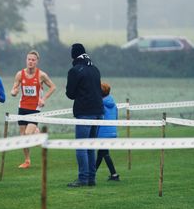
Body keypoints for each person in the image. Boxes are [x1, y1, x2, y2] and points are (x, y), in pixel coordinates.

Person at [10, 50, 56, 169]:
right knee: (22, 137)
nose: (30, 62)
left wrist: (43, 98)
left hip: (35, 108)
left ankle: (36, 133)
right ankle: (27, 160)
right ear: (26, 60)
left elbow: (52, 87)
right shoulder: (20, 74)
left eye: (33, 60)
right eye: (29, 59)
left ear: (37, 61)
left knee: (27, 134)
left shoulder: (41, 75)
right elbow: (14, 89)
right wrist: (13, 92)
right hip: (22, 107)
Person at [65, 43, 103, 187]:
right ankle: (91, 178)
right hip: (99, 113)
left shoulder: (75, 70)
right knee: (90, 146)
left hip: (85, 113)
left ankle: (83, 178)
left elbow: (70, 94)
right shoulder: (95, 69)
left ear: (73, 55)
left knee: (81, 146)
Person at [96, 82, 120, 181]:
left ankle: (92, 173)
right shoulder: (114, 104)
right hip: (112, 131)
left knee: (103, 153)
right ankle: (113, 174)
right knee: (102, 153)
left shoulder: (100, 103)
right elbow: (116, 117)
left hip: (102, 132)